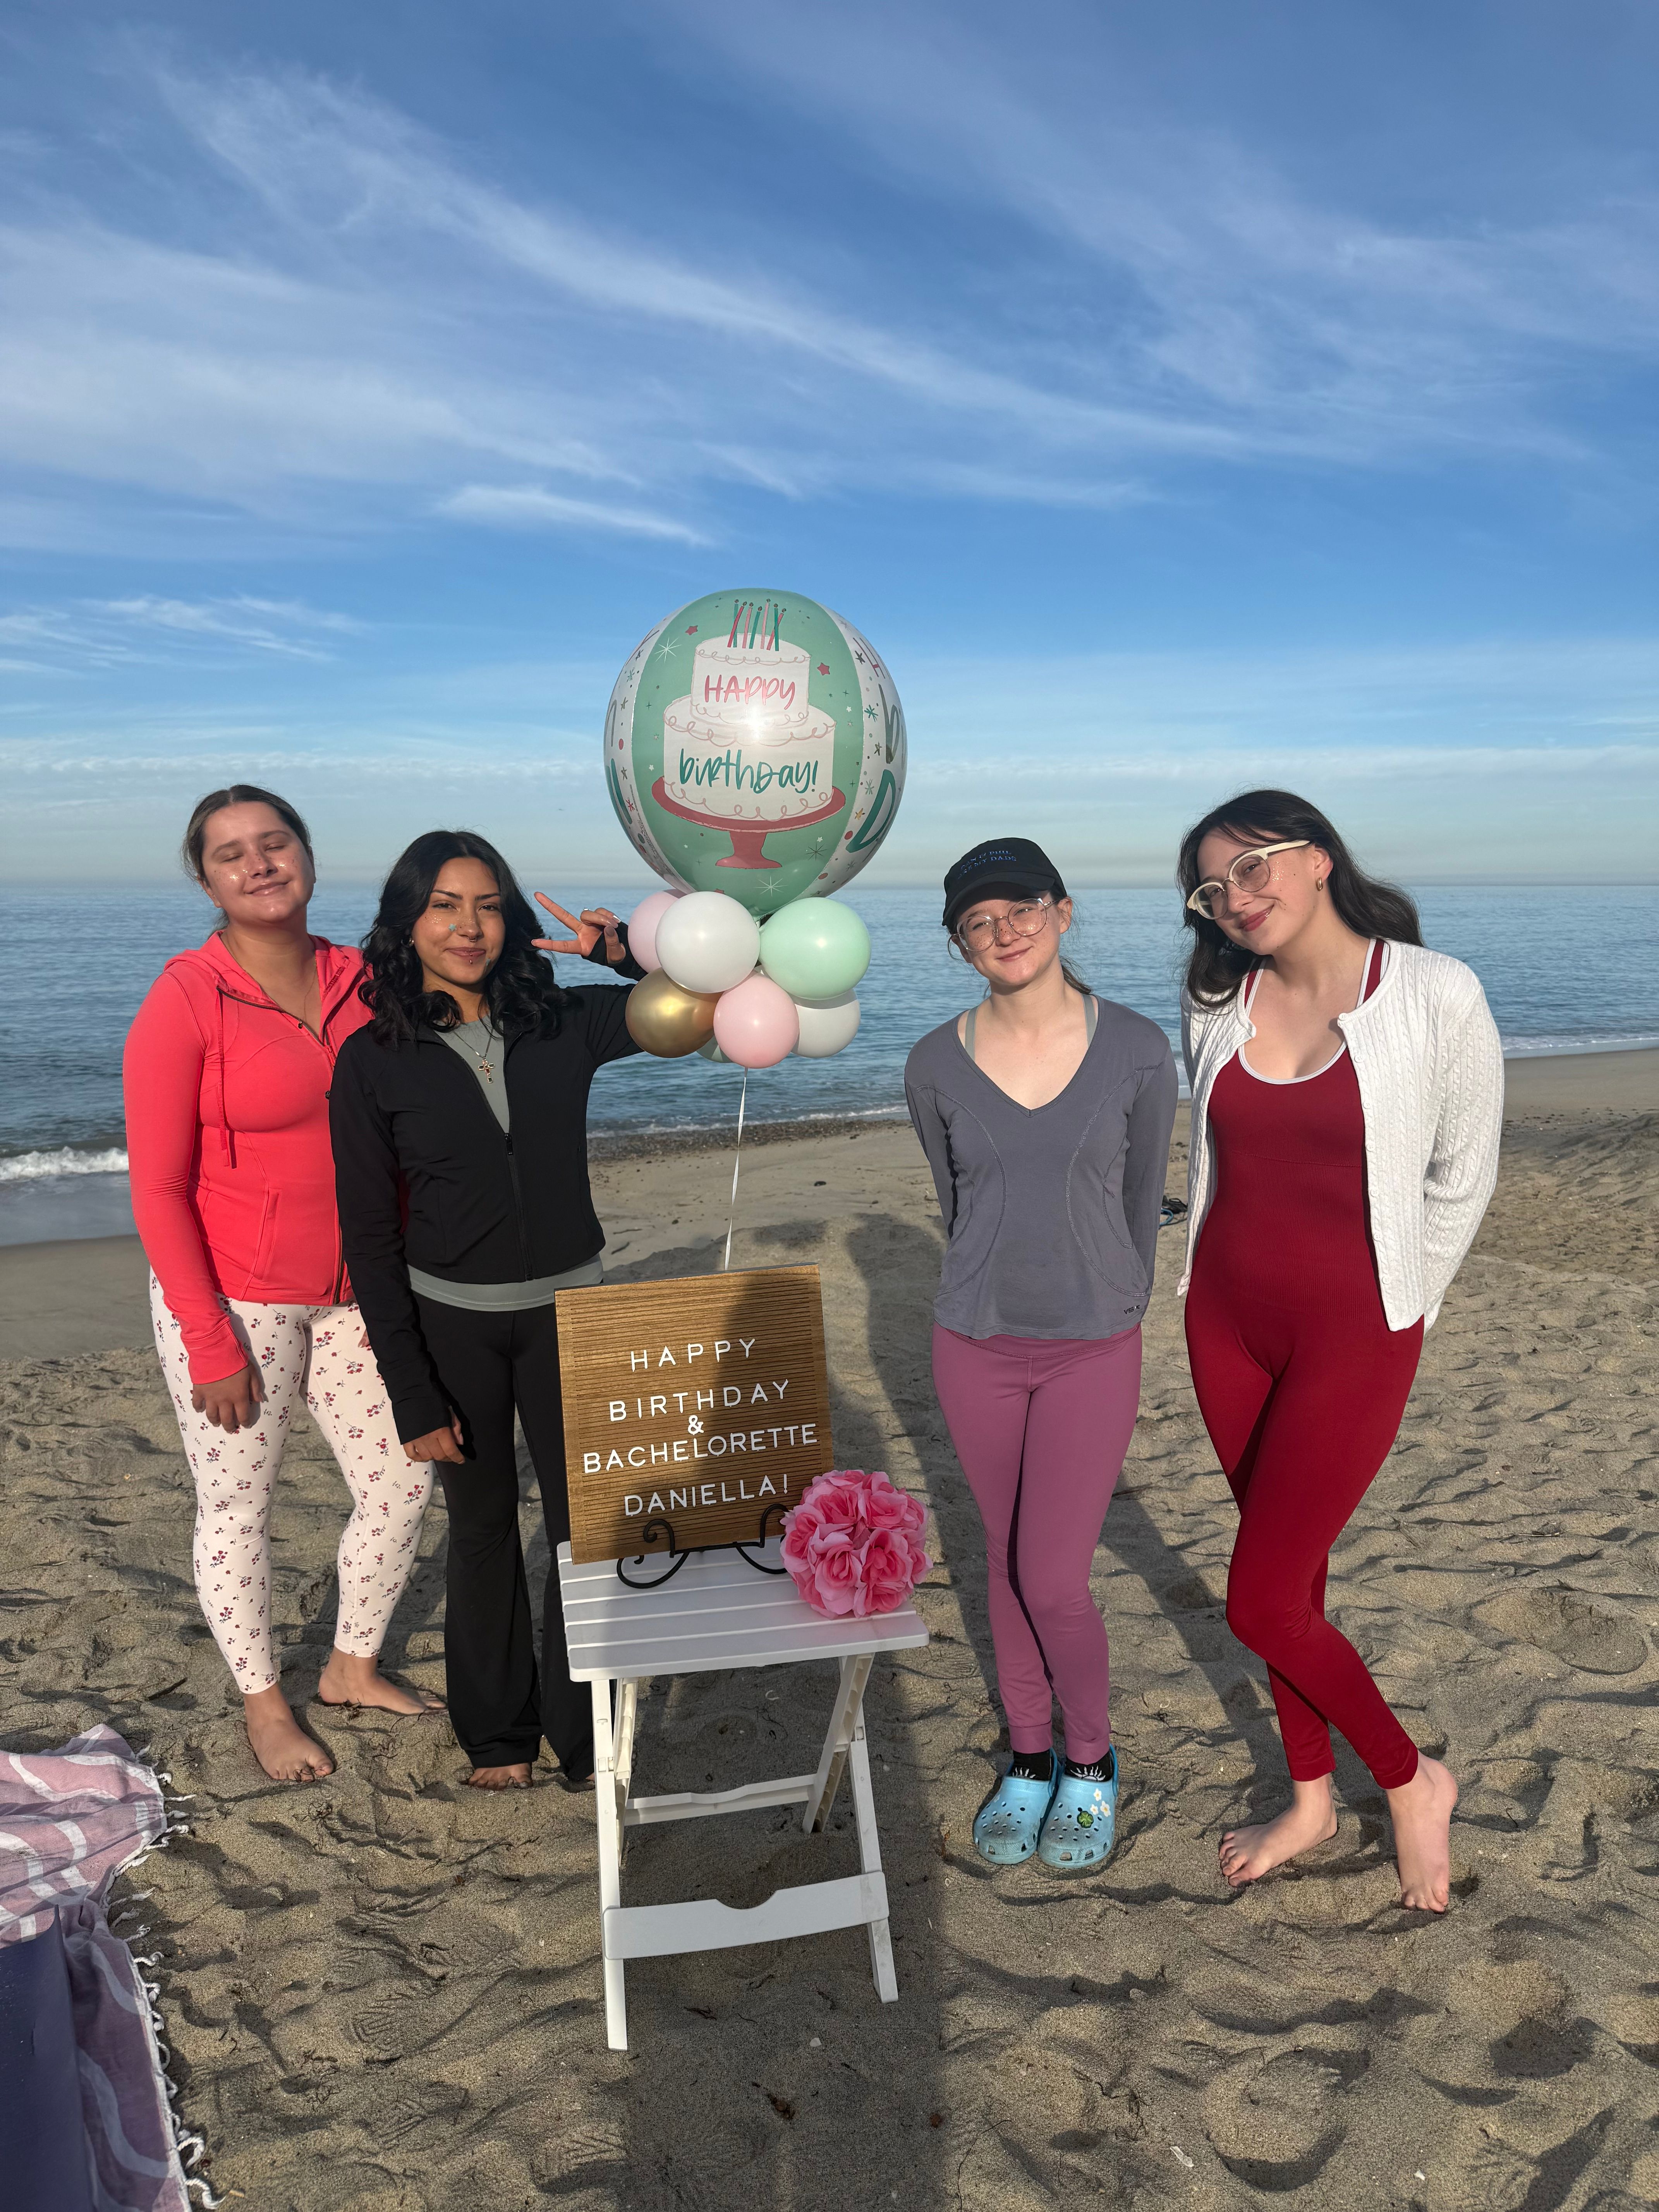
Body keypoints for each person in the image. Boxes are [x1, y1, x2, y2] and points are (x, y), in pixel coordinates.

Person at [1177, 790, 1503, 1912]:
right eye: (1212, 890)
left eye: (1254, 868)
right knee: (1291, 1579)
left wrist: (1405, 1308)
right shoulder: (1213, 996)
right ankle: (1311, 1800)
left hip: (1356, 1329)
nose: (1235, 899)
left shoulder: (1432, 991)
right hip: (1221, 1322)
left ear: (1316, 859)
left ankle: (1411, 1780)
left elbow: (1462, 1177)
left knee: (1258, 1601)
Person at [123, 787, 437, 1785]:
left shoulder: (363, 977)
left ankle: (348, 1666)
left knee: (403, 1481)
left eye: (275, 843)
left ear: (305, 854)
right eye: (231, 855)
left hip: (360, 1296)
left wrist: (603, 959)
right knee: (237, 1508)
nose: (259, 865)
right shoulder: (186, 997)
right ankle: (265, 1704)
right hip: (238, 1300)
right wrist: (209, 1337)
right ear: (207, 879)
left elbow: (476, 1005)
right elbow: (160, 1187)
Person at [328, 831, 642, 1791]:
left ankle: (586, 1734)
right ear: (408, 924)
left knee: (586, 1532)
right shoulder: (372, 1060)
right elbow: (371, 1244)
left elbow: (704, 1010)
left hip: (571, 1316)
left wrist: (625, 953)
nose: (469, 926)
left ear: (511, 921)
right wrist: (413, 1396)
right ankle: (499, 1735)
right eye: (445, 906)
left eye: (488, 905)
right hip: (451, 1324)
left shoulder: (567, 1023)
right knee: (481, 1528)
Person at [905, 838, 1177, 1871]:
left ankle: (1092, 1761)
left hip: (1090, 1347)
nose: (1002, 931)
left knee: (1052, 1576)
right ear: (959, 946)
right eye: (976, 923)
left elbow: (1140, 1196)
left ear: (1061, 913)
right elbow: (956, 1202)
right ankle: (1028, 1757)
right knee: (1002, 1560)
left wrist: (1115, 1296)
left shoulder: (1139, 1049)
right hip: (971, 1341)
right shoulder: (932, 1060)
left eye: (1018, 909)